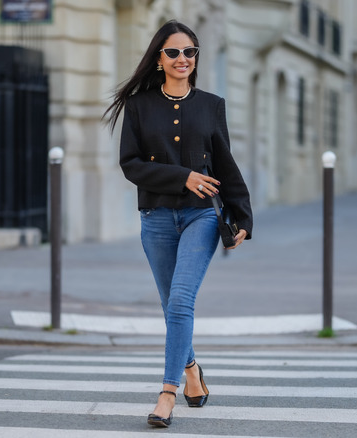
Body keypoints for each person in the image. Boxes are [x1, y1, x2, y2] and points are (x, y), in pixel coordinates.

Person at [104, 19, 253, 428]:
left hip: (201, 215)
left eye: (190, 52)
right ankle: (192, 373)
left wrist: (242, 216)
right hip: (155, 218)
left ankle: (166, 394)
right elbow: (130, 165)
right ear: (158, 59)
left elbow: (225, 163)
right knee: (173, 309)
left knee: (181, 301)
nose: (183, 59)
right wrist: (181, 176)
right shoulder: (138, 106)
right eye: (173, 52)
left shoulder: (211, 105)